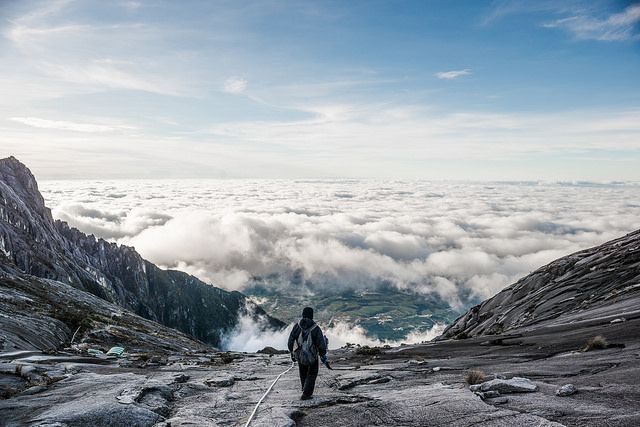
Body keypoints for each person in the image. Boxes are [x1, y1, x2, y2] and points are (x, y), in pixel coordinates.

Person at [287, 306, 328, 400]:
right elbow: (321, 344)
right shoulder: (316, 328)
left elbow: (291, 341)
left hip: (300, 355)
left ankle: (304, 389)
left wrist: (292, 352)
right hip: (312, 355)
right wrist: (322, 354)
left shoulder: (297, 326)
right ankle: (306, 393)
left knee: (303, 371)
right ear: (312, 316)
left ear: (303, 315)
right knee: (313, 372)